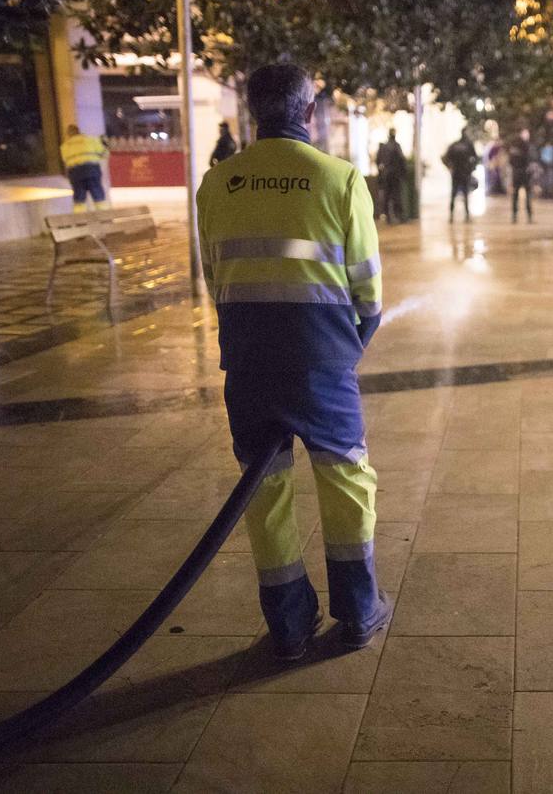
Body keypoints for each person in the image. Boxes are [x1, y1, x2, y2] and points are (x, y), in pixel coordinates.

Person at [196, 63, 390, 660]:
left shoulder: (217, 184)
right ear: (310, 113)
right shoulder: (340, 180)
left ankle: (287, 625)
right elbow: (369, 293)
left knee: (266, 491)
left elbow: (216, 280)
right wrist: (344, 348)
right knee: (346, 481)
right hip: (321, 361)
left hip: (249, 360)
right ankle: (358, 612)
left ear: (255, 113)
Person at [60, 124, 109, 213]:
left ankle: (80, 222)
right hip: (91, 170)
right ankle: (105, 218)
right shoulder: (91, 140)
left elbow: (65, 161)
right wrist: (105, 145)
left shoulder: (65, 146)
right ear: (78, 131)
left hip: (75, 173)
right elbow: (104, 154)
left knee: (79, 199)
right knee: (98, 194)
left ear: (68, 134)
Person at [443, 133, 479, 223]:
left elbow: (445, 158)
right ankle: (466, 216)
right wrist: (471, 168)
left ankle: (451, 216)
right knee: (465, 194)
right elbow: (475, 158)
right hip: (464, 173)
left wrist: (450, 168)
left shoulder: (454, 145)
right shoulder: (468, 146)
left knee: (453, 194)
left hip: (456, 173)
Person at [375, 129, 406, 224]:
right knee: (396, 195)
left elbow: (378, 160)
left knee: (387, 196)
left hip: (386, 175)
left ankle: (388, 216)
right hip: (394, 175)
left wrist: (381, 172)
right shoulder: (396, 146)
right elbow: (402, 160)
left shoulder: (383, 147)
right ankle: (398, 216)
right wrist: (402, 173)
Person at [510, 129, 534, 223]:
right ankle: (529, 216)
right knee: (528, 195)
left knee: (515, 195)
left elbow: (510, 161)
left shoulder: (514, 147)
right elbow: (530, 159)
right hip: (524, 173)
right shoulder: (526, 146)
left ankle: (514, 216)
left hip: (516, 173)